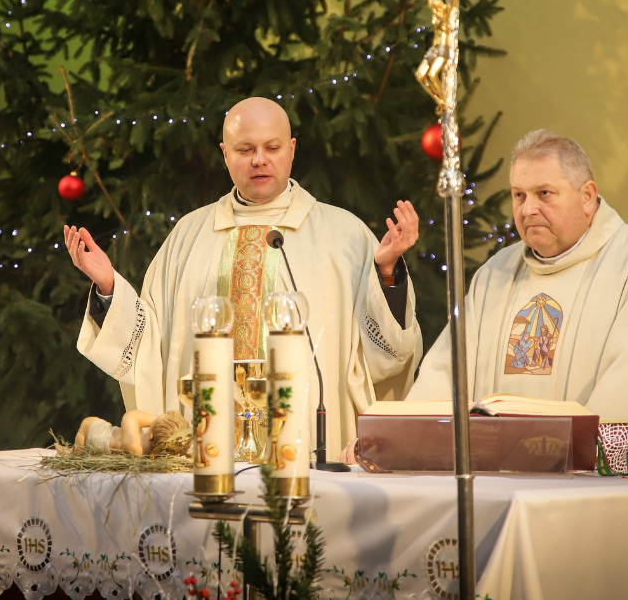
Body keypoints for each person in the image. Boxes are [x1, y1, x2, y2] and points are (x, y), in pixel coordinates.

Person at [65, 97, 423, 449]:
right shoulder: (189, 235)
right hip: (205, 447)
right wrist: (109, 288)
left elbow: (385, 353)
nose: (259, 160)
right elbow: (150, 343)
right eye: (245, 149)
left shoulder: (344, 235)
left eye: (272, 147)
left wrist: (386, 272)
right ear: (225, 154)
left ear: (292, 149)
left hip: (306, 445)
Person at [408, 130, 628, 477]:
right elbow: (445, 372)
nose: (528, 209)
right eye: (519, 195)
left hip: (588, 486)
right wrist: (409, 438)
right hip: (494, 481)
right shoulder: (495, 273)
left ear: (587, 196)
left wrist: (570, 457)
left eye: (544, 193)